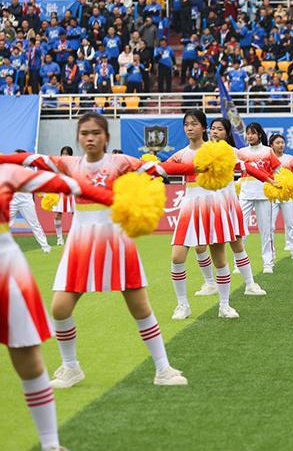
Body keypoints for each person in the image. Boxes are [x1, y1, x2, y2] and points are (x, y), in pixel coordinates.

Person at [0, 113, 188, 388]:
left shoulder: (121, 162)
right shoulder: (70, 164)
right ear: (78, 137)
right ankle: (70, 367)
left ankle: (163, 368)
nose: (90, 138)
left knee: (140, 307)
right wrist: (3, 158)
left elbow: (159, 170)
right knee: (60, 309)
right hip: (80, 243)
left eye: (96, 133)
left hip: (116, 241)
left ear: (106, 137)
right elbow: (31, 160)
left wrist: (201, 169)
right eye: (85, 133)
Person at [0, 163, 118, 451]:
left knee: (27, 359)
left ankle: (50, 444)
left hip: (5, 270)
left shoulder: (6, 174)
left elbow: (71, 186)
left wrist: (118, 202)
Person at [167, 110, 272, 321]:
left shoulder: (218, 150)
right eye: (186, 124)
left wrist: (268, 179)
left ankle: (225, 305)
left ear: (203, 127)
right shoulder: (180, 154)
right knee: (177, 257)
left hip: (213, 205)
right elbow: (162, 169)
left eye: (194, 124)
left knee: (220, 259)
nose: (189, 128)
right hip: (190, 206)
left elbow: (243, 166)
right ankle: (182, 305)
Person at [208, 118, 266, 296]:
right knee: (205, 246)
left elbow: (250, 166)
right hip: (208, 203)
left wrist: (270, 178)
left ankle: (250, 284)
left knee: (237, 243)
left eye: (219, 129)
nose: (215, 132)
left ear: (227, 133)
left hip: (228, 201)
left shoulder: (235, 152)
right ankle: (209, 284)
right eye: (213, 128)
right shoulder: (202, 151)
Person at [237, 123, 280, 273]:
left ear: (259, 135)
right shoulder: (241, 152)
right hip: (245, 194)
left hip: (264, 194)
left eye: (253, 133)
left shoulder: (268, 151)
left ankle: (268, 263)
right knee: (240, 228)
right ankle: (239, 263)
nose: (250, 136)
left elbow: (278, 170)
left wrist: (277, 186)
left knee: (266, 230)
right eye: (248, 133)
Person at [8, 150, 51, 254]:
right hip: (12, 201)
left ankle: (45, 247)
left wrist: (45, 194)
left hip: (26, 201)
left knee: (35, 224)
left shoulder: (29, 171)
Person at [50, 147, 75, 247]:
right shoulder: (56, 164)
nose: (64, 155)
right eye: (63, 153)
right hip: (59, 192)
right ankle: (59, 239)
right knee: (57, 215)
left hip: (71, 192)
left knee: (76, 215)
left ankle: (74, 237)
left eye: (67, 154)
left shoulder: (74, 165)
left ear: (70, 155)